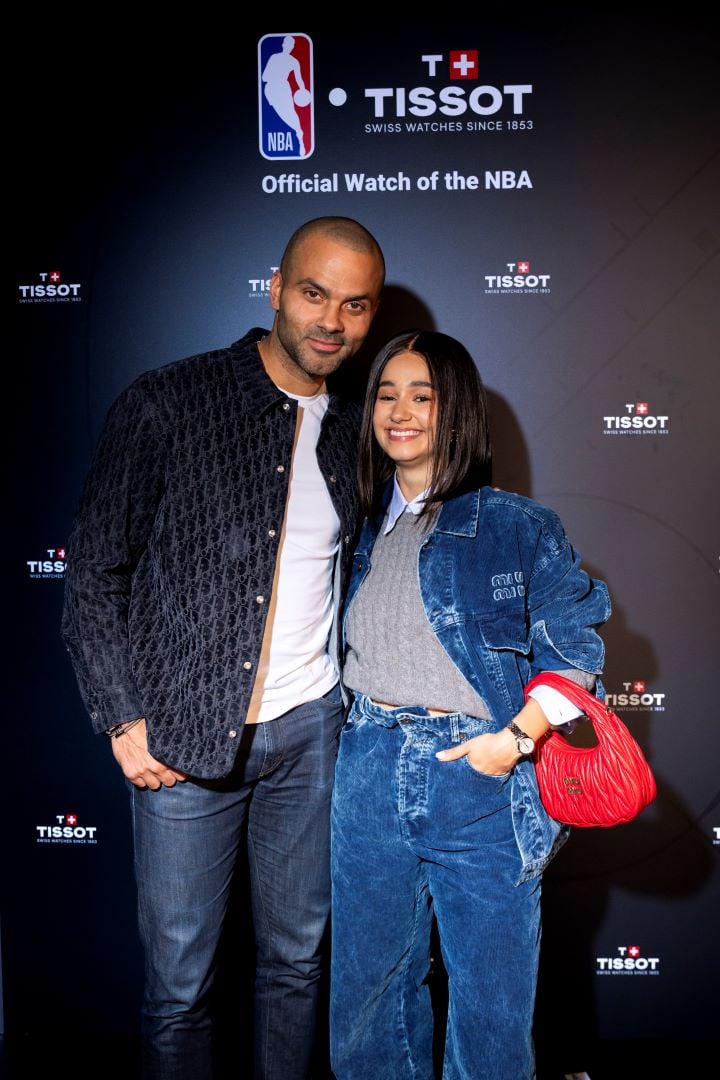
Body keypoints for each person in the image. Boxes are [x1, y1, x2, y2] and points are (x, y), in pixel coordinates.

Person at [60, 216, 385, 1080]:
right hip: (182, 741)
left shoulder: (362, 428)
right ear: (275, 289)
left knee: (297, 964)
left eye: (355, 305)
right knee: (179, 988)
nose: (332, 321)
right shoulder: (170, 400)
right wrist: (122, 717)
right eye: (315, 294)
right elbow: (93, 573)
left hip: (310, 734)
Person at [330, 330, 611, 1079]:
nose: (401, 411)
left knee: (490, 1008)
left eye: (423, 396)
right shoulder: (357, 525)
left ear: (455, 411)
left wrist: (512, 742)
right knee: (367, 1002)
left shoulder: (515, 526)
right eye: (387, 394)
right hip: (365, 771)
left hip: (477, 776)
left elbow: (577, 653)